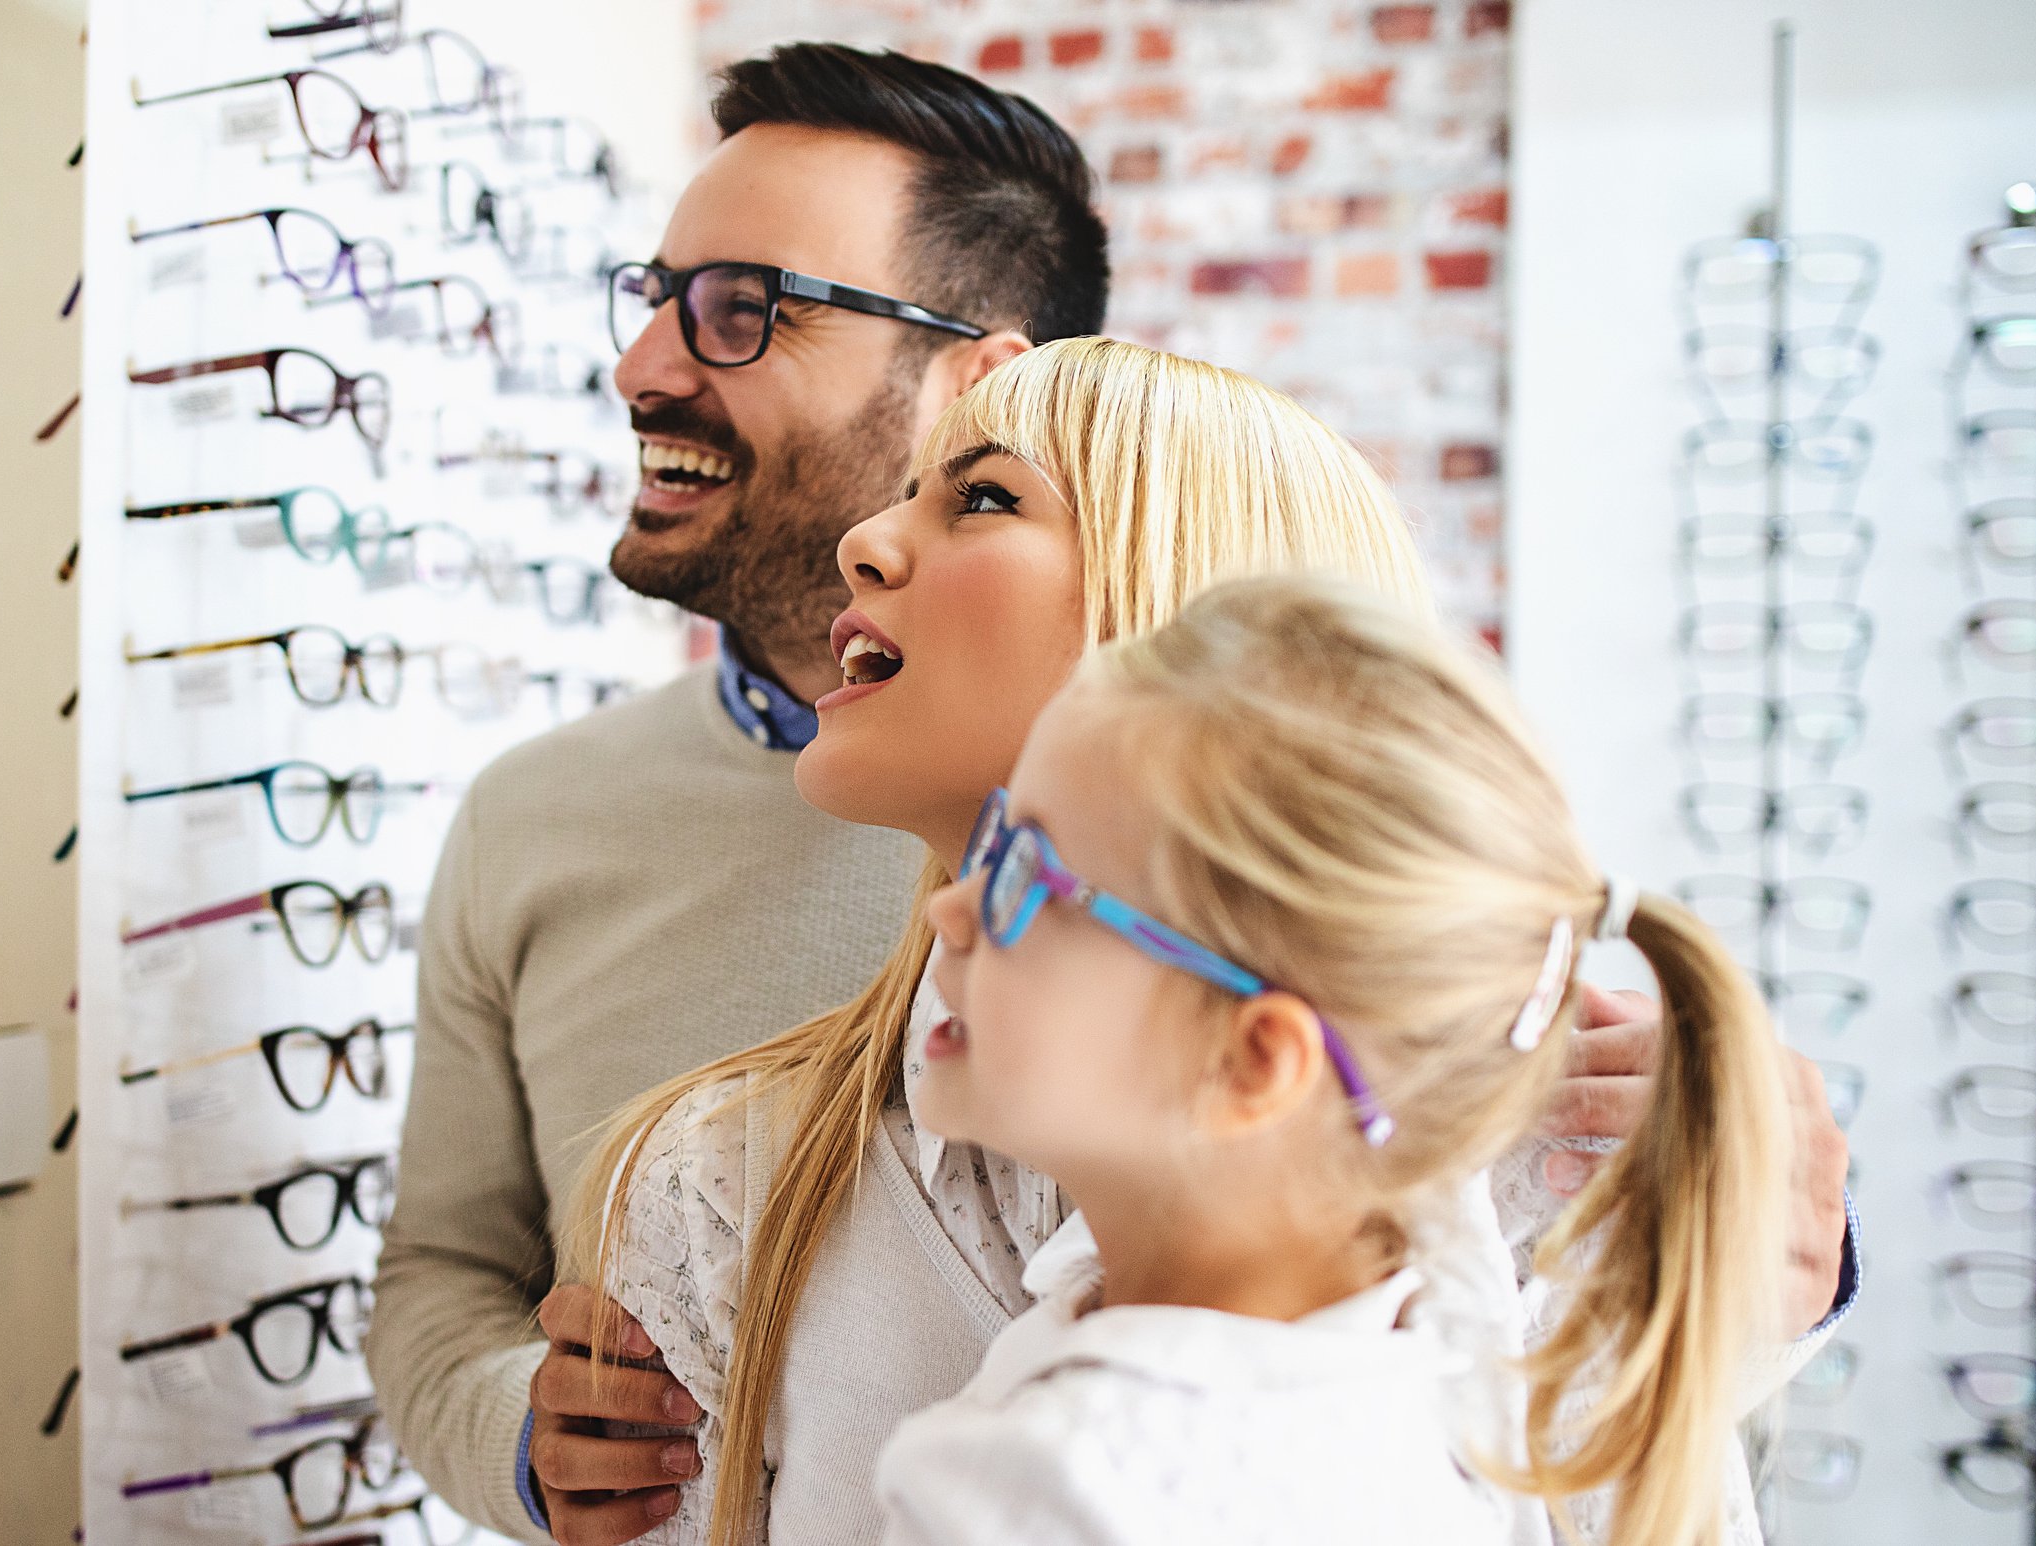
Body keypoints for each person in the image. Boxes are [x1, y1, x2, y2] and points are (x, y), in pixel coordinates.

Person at [569, 337, 1850, 1546]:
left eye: (983, 499)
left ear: (1218, 625)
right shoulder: (719, 1179)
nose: (861, 541)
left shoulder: (1535, 1156)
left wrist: (1756, 1265)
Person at [366, 43, 1108, 1543]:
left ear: (977, 381)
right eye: (656, 296)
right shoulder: (532, 815)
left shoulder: (1205, 834)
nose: (644, 366)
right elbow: (437, 1276)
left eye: (741, 310)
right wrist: (526, 1428)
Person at [871, 574, 1789, 1546]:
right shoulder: (1417, 1355)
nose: (949, 908)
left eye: (1028, 875)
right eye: (990, 840)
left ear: (1253, 1061)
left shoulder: (1040, 1490)